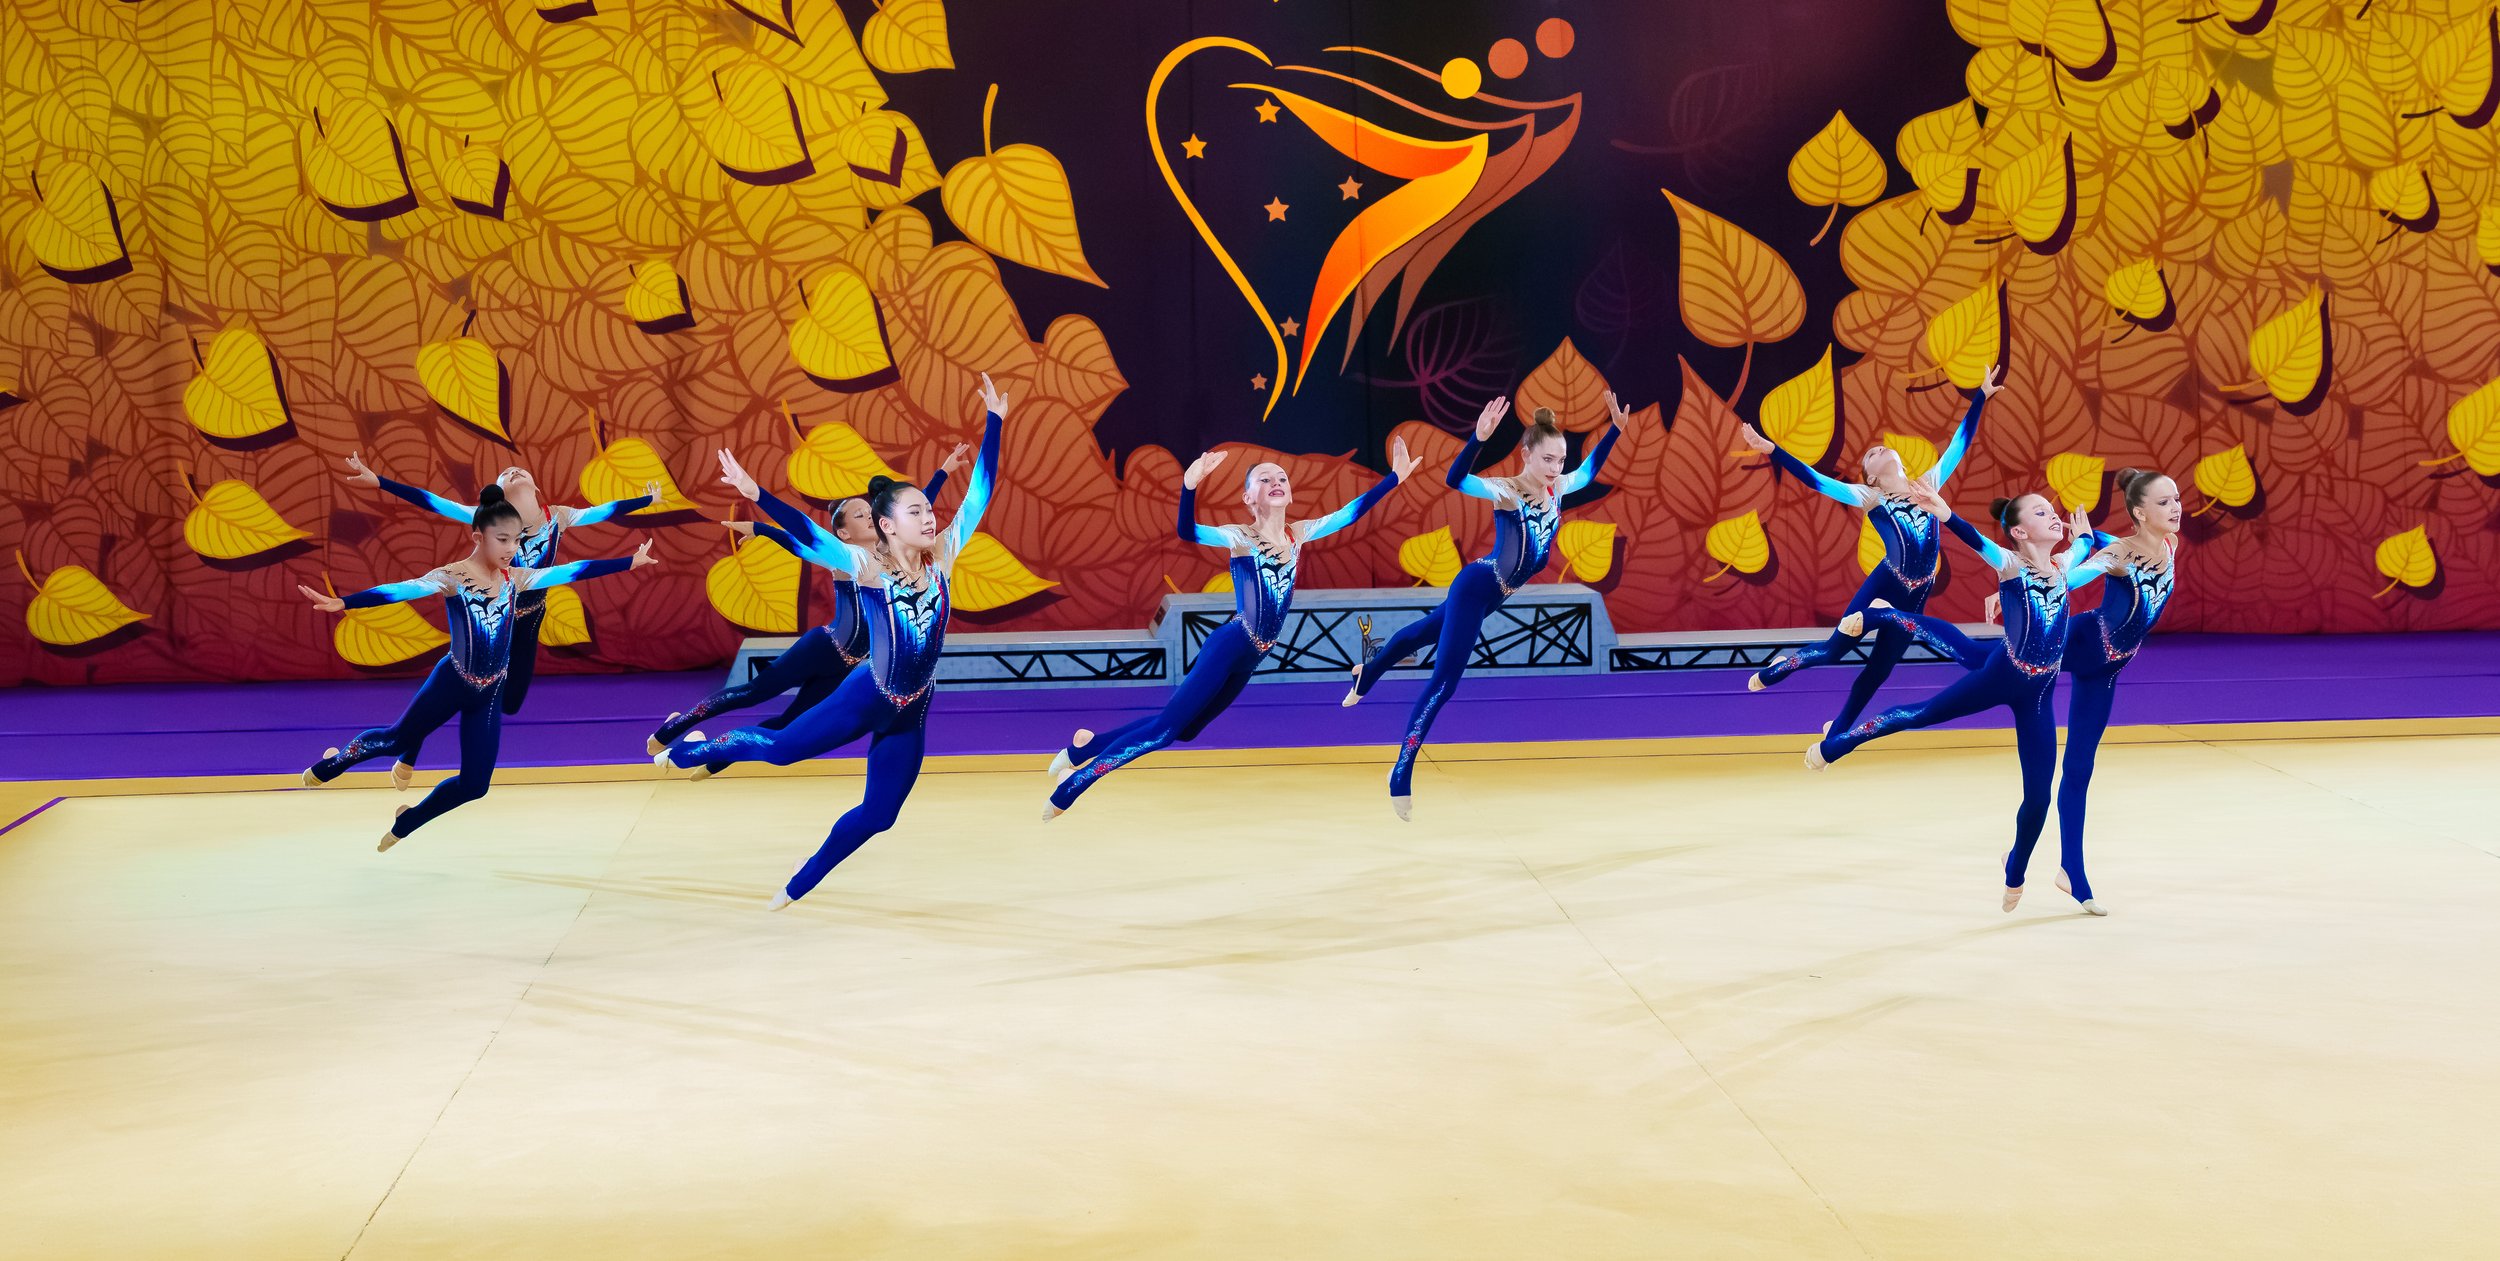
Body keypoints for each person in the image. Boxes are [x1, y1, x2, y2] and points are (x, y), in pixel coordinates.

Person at [654, 375, 1007, 908]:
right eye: (915, 511)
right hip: (867, 694)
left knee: (881, 815)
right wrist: (757, 496)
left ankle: (803, 878)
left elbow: (980, 490)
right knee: (781, 751)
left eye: (929, 509)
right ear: (887, 526)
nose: (930, 516)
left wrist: (994, 422)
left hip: (912, 707)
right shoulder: (866, 566)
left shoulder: (945, 553)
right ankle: (692, 750)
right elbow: (809, 534)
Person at [1044, 440, 1420, 816]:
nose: (1275, 482)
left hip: (1251, 657)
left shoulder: (1299, 533)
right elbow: (1188, 532)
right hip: (1230, 645)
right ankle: (1072, 785)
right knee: (1163, 731)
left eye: (1281, 478)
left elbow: (1349, 513)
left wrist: (1393, 479)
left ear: (1290, 492)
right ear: (1247, 497)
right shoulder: (1239, 537)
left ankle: (1086, 746)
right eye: (1264, 479)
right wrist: (1189, 487)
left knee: (1185, 729)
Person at [1805, 487, 2116, 913]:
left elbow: (2082, 548)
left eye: (2051, 510)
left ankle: (2015, 868)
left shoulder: (2063, 567)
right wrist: (1947, 516)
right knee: (1920, 714)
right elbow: (1978, 542)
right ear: (2020, 532)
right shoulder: (2010, 565)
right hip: (2002, 677)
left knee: (2039, 797)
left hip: (2039, 695)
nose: (2052, 515)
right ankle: (1839, 743)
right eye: (2041, 512)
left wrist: (2084, 537)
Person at [298, 486, 656, 850]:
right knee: (395, 740)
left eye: (515, 540)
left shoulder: (517, 578)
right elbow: (401, 590)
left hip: (489, 692)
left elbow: (573, 570)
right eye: (502, 539)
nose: (511, 549)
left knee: (475, 785)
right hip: (452, 681)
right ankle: (332, 765)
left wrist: (630, 561)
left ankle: (409, 819)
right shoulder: (453, 577)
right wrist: (345, 603)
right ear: (478, 536)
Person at [1344, 393, 1634, 819]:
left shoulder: (1558, 488)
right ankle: (1401, 771)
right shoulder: (1508, 491)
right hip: (1477, 587)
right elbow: (1456, 480)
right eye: (1547, 459)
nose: (1555, 468)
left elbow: (1588, 472)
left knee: (1423, 632)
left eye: (1560, 460)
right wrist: (1477, 440)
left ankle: (1368, 673)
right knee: (1444, 683)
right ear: (1526, 455)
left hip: (1495, 595)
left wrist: (1614, 432)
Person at [340, 454, 658, 788]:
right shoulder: (486, 518)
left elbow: (604, 510)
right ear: (500, 494)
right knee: (463, 680)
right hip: (489, 617)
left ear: (535, 487)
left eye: (520, 470)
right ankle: (411, 745)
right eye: (505, 473)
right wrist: (380, 482)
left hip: (529, 620)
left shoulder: (559, 516)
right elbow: (433, 502)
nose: (513, 470)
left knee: (511, 702)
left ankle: (427, 726)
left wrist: (647, 501)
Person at [646, 447, 965, 776]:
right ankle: (672, 728)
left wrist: (942, 473)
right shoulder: (845, 558)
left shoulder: (898, 554)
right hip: (824, 648)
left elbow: (910, 510)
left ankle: (712, 758)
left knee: (790, 725)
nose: (870, 517)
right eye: (860, 516)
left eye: (871, 513)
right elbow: (800, 537)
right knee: (753, 693)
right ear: (844, 533)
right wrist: (762, 526)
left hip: (849, 666)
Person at [1736, 366, 2002, 735]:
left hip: (1917, 594)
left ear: (1900, 462)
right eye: (1870, 456)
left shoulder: (1928, 485)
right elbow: (1817, 481)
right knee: (1834, 651)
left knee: (1879, 671)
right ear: (1871, 477)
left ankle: (1839, 727)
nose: (1877, 449)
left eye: (1880, 448)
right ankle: (1781, 666)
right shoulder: (1870, 496)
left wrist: (1981, 397)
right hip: (1886, 583)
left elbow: (1959, 443)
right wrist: (1774, 451)